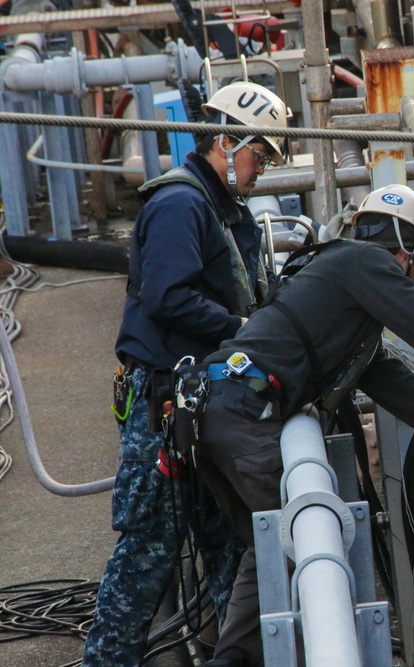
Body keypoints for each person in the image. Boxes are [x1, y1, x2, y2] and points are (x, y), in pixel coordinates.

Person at [189, 184, 414, 666]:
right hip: (244, 413)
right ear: (405, 249)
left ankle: (230, 660)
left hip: (220, 409)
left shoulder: (345, 293)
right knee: (305, 550)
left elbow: (390, 383)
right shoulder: (365, 262)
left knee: (270, 552)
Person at [83, 80, 289, 667]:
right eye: (260, 156)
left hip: (196, 407)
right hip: (163, 408)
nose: (262, 172)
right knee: (147, 556)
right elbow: (168, 298)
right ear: (227, 141)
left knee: (225, 543)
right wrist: (246, 328)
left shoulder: (219, 207)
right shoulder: (181, 204)